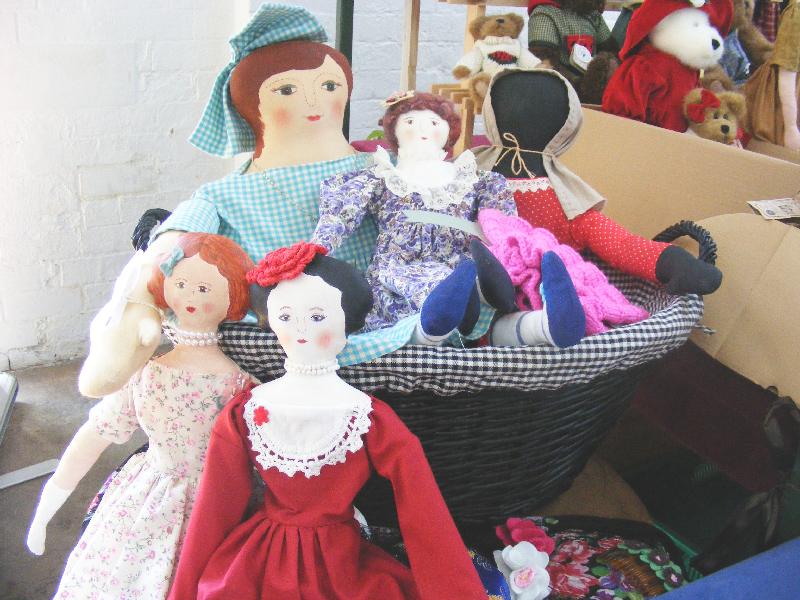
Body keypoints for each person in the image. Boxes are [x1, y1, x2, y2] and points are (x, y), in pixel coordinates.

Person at [78, 4, 378, 398]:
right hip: (278, 334)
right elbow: (174, 242)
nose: (312, 101)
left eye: (329, 86)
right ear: (252, 105)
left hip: (383, 313)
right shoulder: (224, 195)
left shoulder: (381, 169)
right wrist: (140, 300)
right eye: (287, 90)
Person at [167, 242, 488, 600]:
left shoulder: (365, 417)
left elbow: (423, 511)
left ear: (347, 323)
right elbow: (214, 509)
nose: (300, 328)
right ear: (269, 320)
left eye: (318, 316)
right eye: (285, 316)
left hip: (339, 561)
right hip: (260, 560)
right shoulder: (245, 412)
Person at [26, 233, 254, 600]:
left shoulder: (239, 385)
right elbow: (96, 433)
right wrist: (47, 506)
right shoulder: (149, 374)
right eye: (181, 284)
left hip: (213, 501)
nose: (191, 296)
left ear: (235, 297)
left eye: (204, 288)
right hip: (158, 491)